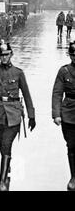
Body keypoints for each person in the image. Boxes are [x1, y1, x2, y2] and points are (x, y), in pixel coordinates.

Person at [0, 40, 36, 191]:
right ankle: (7, 163)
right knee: (2, 143)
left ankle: (2, 181)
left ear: (11, 54)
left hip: (13, 114)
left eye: (7, 54)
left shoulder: (18, 73)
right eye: (2, 55)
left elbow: (27, 94)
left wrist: (32, 116)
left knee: (6, 144)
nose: (4, 58)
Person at [52, 42, 75, 191]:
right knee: (72, 146)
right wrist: (56, 114)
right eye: (73, 55)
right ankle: (74, 177)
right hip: (69, 114)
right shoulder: (64, 71)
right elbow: (57, 93)